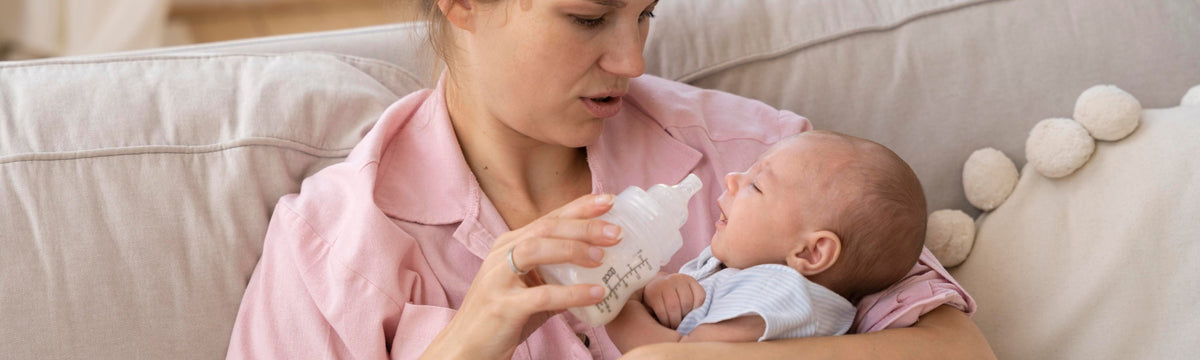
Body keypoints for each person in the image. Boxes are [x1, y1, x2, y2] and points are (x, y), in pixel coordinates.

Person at [225, 0, 993, 359]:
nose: (632, 60)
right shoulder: (334, 246)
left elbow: (954, 349)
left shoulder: (753, 159)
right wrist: (466, 344)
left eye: (644, 13)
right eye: (589, 19)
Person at [606, 131, 928, 351]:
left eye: (757, 185)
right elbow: (682, 321)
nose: (732, 179)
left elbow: (679, 355)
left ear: (811, 252)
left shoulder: (783, 297)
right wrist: (659, 288)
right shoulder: (742, 268)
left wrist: (621, 308)